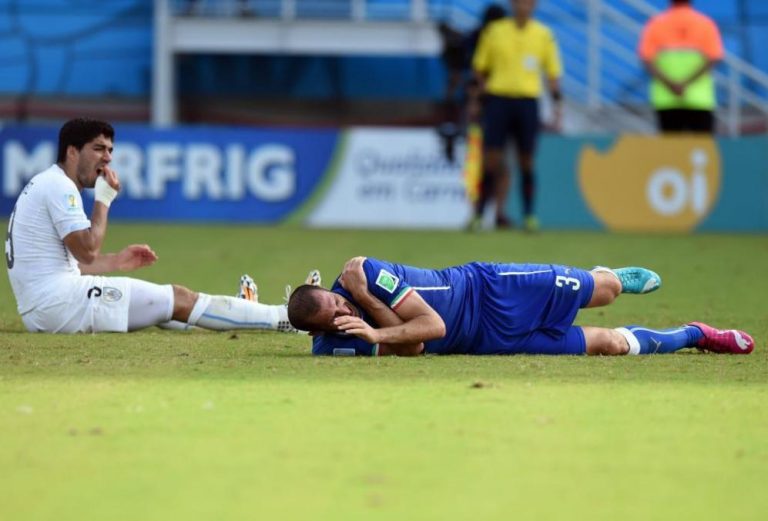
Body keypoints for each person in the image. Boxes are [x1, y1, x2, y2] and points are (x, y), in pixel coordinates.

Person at [4, 118, 295, 334]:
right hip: (60, 305)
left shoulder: (48, 182)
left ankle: (246, 314)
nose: (108, 157)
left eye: (110, 150)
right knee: (179, 299)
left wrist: (117, 261)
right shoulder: (60, 187)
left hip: (45, 308)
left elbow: (69, 263)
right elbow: (88, 251)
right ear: (71, 152)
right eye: (98, 149)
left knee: (163, 311)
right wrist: (104, 198)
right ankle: (285, 317)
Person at [287, 256, 754, 357]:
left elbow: (430, 325)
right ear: (318, 331)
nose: (343, 307)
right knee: (611, 344)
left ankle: (606, 274)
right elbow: (415, 349)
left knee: (606, 294)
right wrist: (372, 335)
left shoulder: (362, 275)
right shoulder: (331, 348)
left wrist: (367, 302)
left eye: (336, 299)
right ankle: (696, 334)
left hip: (491, 288)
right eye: (334, 314)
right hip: (490, 340)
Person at [471, 0, 563, 232]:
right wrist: (480, 97)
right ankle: (480, 215)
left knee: (527, 161)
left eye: (529, 2)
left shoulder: (543, 34)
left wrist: (557, 105)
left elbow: (552, 73)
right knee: (491, 160)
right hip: (498, 101)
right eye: (520, 1)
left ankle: (529, 215)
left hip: (527, 103)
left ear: (535, 5)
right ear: (512, 4)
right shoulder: (495, 31)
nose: (524, 5)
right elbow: (479, 68)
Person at [638, 0, 724, 133]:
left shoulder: (656, 23)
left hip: (666, 98)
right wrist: (686, 84)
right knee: (701, 149)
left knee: (671, 151)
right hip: (699, 98)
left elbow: (646, 60)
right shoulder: (705, 23)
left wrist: (672, 85)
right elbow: (714, 58)